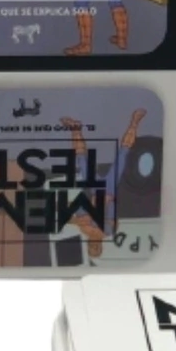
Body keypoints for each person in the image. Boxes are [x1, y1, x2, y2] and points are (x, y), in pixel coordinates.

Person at [59, 108, 146, 257]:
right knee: (123, 155)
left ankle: (75, 128)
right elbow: (112, 213)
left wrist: (74, 216)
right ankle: (135, 122)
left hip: (94, 189)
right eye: (96, 249)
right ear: (101, 248)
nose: (93, 246)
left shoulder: (85, 229)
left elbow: (79, 208)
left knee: (81, 159)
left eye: (91, 249)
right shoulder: (108, 232)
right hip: (109, 189)